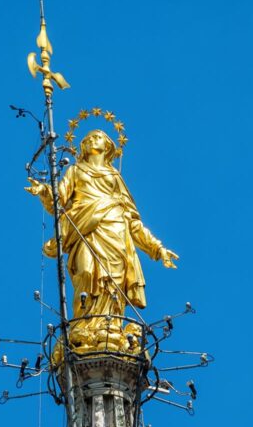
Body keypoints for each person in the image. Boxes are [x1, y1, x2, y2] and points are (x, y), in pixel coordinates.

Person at [25, 129, 178, 351]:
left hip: (116, 233)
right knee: (86, 273)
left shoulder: (115, 178)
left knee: (113, 286)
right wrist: (43, 191)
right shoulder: (75, 171)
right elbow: (57, 204)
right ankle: (84, 326)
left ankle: (111, 326)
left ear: (107, 146)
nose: (89, 140)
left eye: (96, 137)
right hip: (84, 231)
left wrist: (158, 248)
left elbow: (133, 222)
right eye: (86, 139)